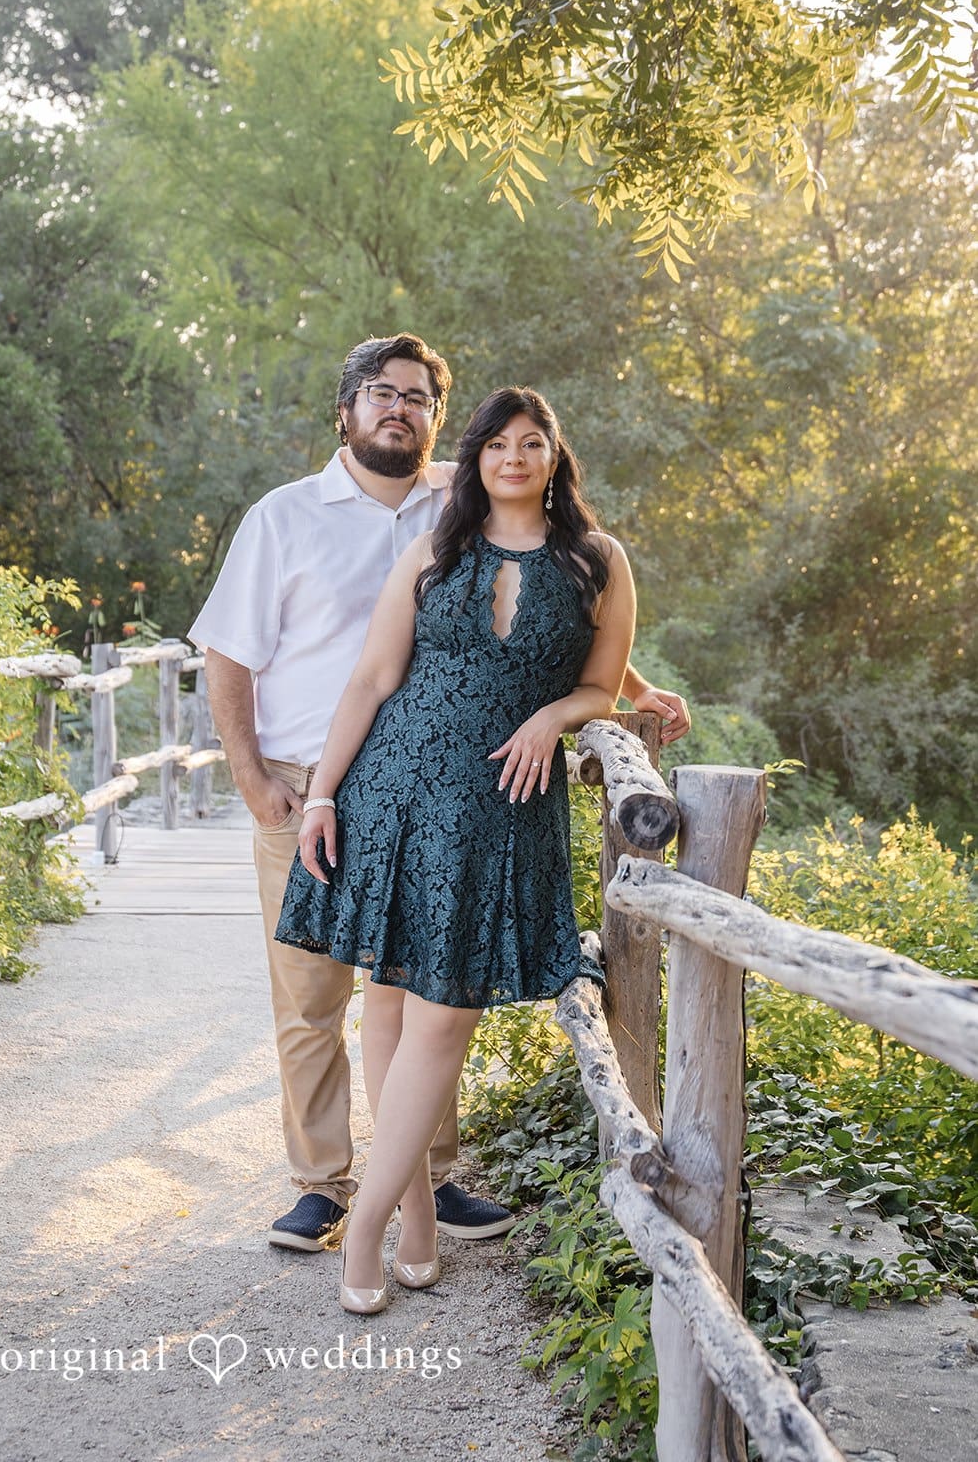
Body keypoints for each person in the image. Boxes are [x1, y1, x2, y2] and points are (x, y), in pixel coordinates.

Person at [189, 335, 689, 1255]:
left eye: (416, 398)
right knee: (312, 998)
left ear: (434, 418)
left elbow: (557, 588)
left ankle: (425, 1176)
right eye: (380, 394)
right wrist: (256, 777)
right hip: (314, 781)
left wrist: (631, 690)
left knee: (422, 984)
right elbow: (228, 652)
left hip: (446, 789)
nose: (397, 409)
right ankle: (324, 1184)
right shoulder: (284, 517)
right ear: (345, 410)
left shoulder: (457, 494)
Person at [275, 385, 645, 1314]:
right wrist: (322, 794)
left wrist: (553, 717)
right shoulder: (432, 552)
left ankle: (366, 1227)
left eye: (532, 443)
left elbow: (603, 686)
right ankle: (413, 1222)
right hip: (394, 791)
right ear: (476, 459)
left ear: (555, 458)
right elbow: (370, 678)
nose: (513, 457)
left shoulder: (597, 561)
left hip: (501, 807)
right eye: (497, 444)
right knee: (390, 1006)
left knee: (441, 1018)